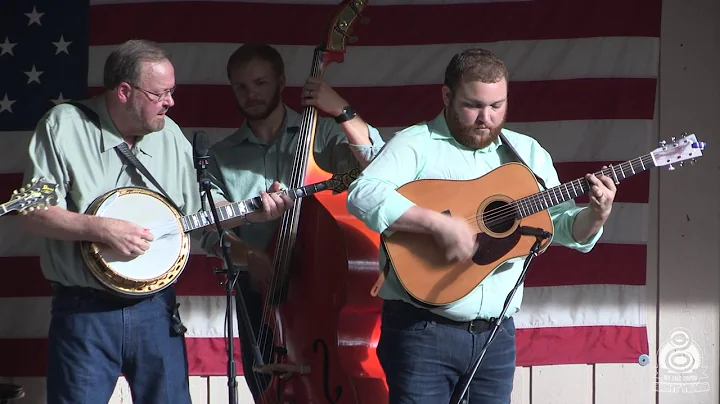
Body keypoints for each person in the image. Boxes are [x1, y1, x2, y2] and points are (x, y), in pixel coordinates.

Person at [345, 48, 617, 403]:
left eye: (497, 106)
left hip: (495, 337)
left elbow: (562, 227)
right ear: (447, 96)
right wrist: (436, 224)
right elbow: (362, 194)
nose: (485, 118)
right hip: (422, 331)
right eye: (473, 105)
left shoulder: (527, 152)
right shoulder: (417, 143)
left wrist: (596, 215)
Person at [19, 39, 208, 404]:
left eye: (172, 91)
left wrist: (256, 210)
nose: (170, 102)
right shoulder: (66, 125)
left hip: (156, 310)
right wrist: (100, 229)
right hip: (84, 312)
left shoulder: (171, 135)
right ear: (125, 91)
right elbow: (32, 213)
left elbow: (202, 212)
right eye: (161, 93)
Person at [197, 43, 386, 399]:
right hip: (262, 298)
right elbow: (210, 232)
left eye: (260, 83)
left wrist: (342, 111)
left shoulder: (324, 136)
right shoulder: (221, 156)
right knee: (266, 392)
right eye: (241, 87)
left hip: (325, 290)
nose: (251, 95)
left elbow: (379, 170)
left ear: (281, 81)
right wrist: (251, 257)